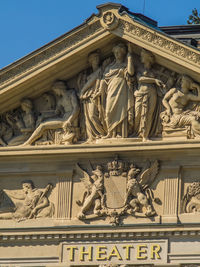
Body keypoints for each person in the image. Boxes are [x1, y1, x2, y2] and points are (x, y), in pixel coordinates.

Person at [22, 80, 79, 145]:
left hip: (69, 120)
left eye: (55, 91)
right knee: (42, 123)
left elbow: (76, 108)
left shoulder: (71, 93)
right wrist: (44, 116)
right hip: (63, 119)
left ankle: (28, 143)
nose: (56, 93)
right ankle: (30, 142)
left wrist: (69, 120)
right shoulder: (60, 100)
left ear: (59, 88)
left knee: (43, 126)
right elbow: (55, 113)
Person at [97, 42, 135, 138]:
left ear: (123, 53)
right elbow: (103, 80)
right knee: (108, 111)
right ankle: (110, 132)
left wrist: (130, 56)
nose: (117, 54)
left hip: (122, 90)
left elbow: (131, 72)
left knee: (122, 111)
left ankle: (122, 134)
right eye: (115, 52)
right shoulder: (109, 67)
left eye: (119, 52)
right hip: (110, 90)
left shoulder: (125, 65)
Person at [134, 49, 164, 141]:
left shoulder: (154, 72)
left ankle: (145, 135)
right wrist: (154, 80)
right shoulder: (139, 69)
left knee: (149, 114)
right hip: (141, 94)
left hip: (152, 93)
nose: (141, 57)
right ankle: (136, 133)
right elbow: (140, 79)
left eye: (143, 56)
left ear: (148, 58)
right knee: (138, 114)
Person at [78, 50, 106, 141]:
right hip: (88, 96)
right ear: (90, 61)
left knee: (93, 115)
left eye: (97, 58)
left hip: (95, 95)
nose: (96, 60)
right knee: (88, 117)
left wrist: (82, 91)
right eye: (94, 58)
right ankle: (91, 136)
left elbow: (91, 81)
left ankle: (101, 133)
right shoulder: (88, 74)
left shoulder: (100, 70)